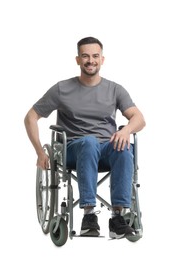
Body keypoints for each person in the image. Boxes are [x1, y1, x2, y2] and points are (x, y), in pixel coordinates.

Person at [24, 36, 146, 239]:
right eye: (85, 56)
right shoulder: (62, 89)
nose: (91, 60)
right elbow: (30, 117)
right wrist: (39, 151)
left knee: (125, 146)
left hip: (107, 150)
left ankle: (118, 216)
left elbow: (139, 118)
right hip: (73, 150)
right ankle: (89, 215)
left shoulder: (114, 89)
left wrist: (125, 131)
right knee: (89, 142)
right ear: (78, 60)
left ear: (102, 59)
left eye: (95, 56)